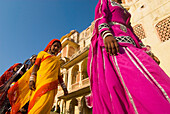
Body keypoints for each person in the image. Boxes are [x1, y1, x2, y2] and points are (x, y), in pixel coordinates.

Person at [87, 0, 170, 113]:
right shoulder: (106, 1)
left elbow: (132, 32)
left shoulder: (124, 9)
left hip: (131, 44)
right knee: (121, 83)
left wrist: (147, 51)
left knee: (152, 73)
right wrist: (106, 34)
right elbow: (101, 17)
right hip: (114, 45)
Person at [8, 39, 68, 114]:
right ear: (50, 46)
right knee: (37, 105)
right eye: (55, 46)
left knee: (46, 106)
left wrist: (64, 88)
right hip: (40, 82)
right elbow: (36, 66)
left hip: (52, 86)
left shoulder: (57, 61)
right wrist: (32, 79)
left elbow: (59, 76)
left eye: (58, 47)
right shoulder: (42, 54)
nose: (56, 48)